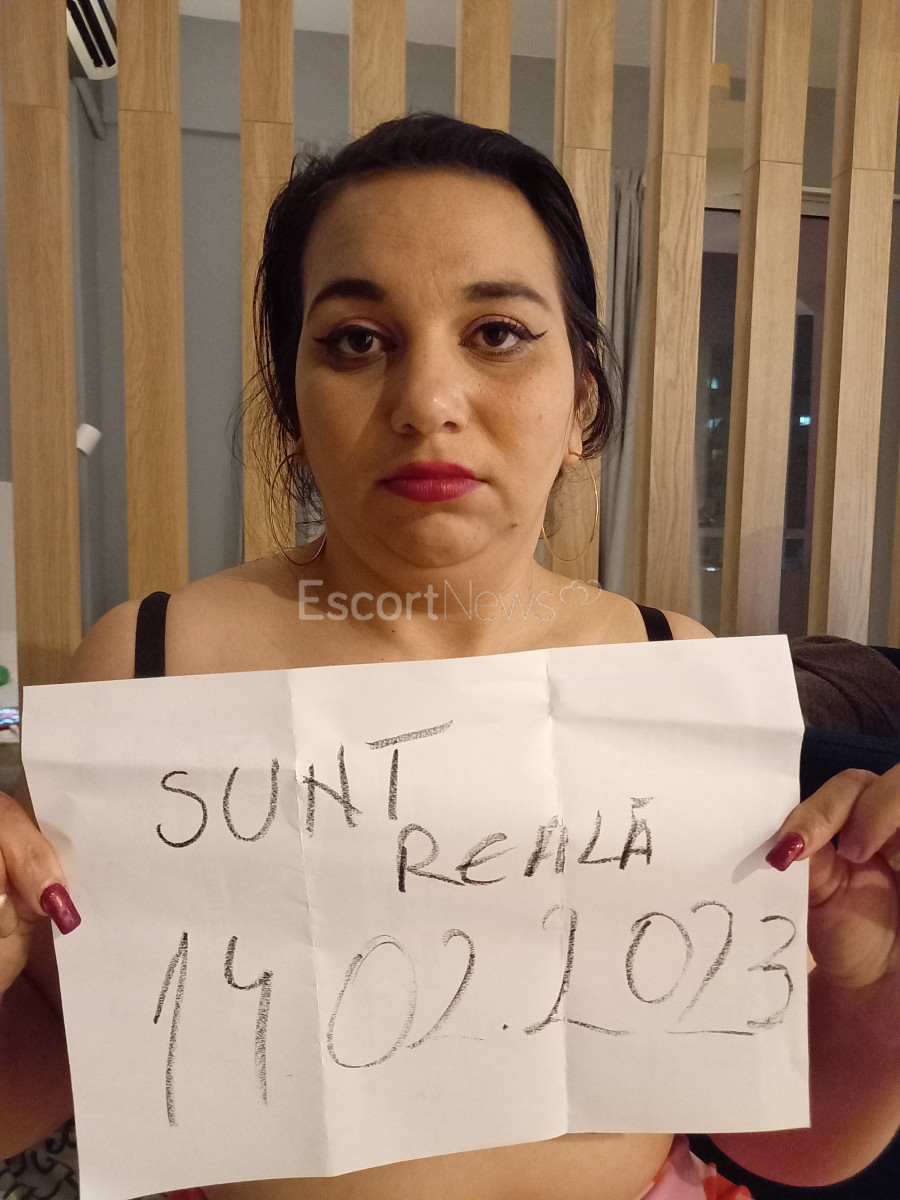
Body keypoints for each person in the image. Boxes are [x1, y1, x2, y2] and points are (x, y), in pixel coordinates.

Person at [1, 112, 898, 1200]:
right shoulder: (150, 668)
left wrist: (868, 982)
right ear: (292, 409)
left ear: (581, 400)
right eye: (356, 341)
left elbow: (779, 1145)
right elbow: (52, 1069)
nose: (427, 401)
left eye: (498, 332)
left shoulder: (672, 672)